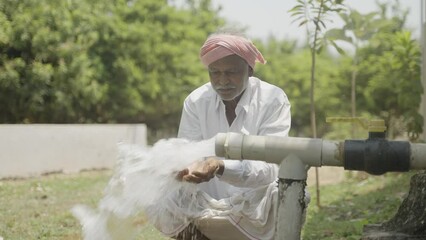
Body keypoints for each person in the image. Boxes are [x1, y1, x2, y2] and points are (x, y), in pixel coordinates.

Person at [175, 31, 292, 240]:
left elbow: (270, 168)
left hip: (255, 206)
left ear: (249, 70)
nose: (222, 81)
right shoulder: (196, 101)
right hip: (207, 204)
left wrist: (220, 166)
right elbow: (186, 152)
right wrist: (183, 168)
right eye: (215, 72)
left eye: (232, 72)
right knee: (164, 194)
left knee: (287, 196)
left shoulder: (273, 100)